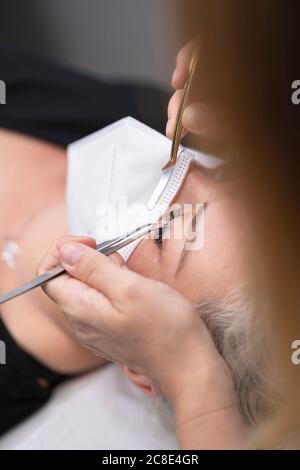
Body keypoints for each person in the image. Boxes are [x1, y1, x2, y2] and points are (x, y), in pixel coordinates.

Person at [38, 0, 300, 449]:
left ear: (137, 363)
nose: (185, 170)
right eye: (229, 171)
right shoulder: (123, 108)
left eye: (164, 234)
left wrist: (193, 377)